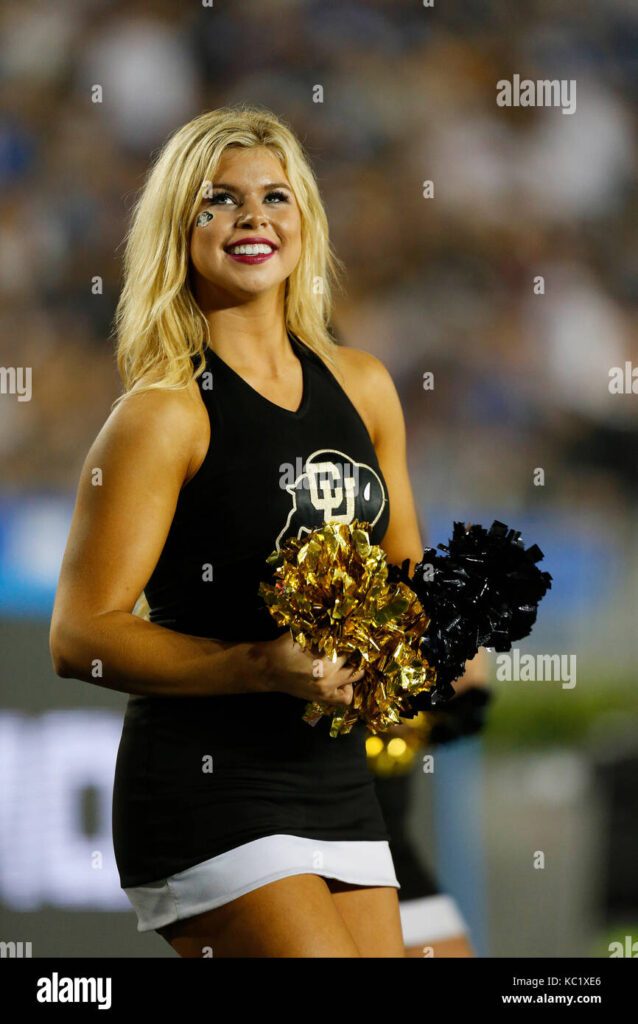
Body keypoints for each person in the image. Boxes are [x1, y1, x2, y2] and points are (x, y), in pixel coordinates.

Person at [49, 105, 445, 958]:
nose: (254, 218)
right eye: (219, 202)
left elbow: (407, 577)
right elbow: (79, 635)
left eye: (275, 197)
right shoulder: (161, 415)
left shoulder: (366, 386)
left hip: (338, 782)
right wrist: (259, 664)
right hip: (209, 788)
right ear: (178, 230)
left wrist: (420, 646)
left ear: (305, 217)